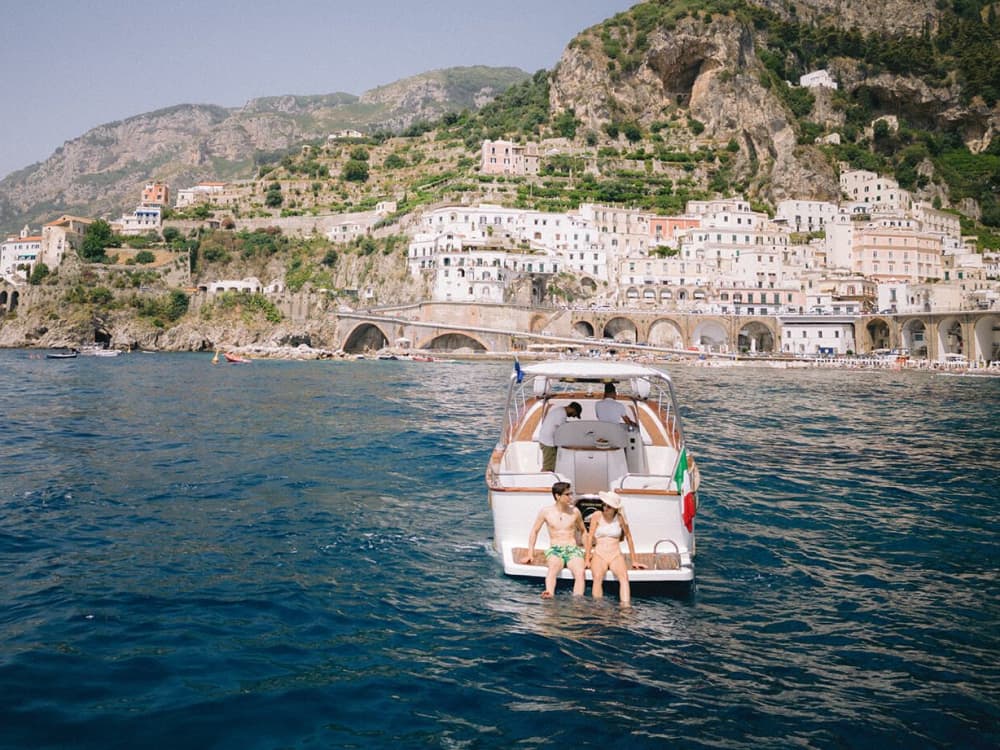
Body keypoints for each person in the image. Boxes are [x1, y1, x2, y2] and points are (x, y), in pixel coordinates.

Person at [519, 481, 587, 598]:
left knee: (580, 572)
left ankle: (577, 601)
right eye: (567, 494)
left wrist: (588, 554)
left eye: (571, 494)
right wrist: (530, 554)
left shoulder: (575, 512)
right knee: (553, 569)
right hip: (555, 549)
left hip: (572, 549)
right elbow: (534, 531)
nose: (571, 497)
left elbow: (584, 531)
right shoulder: (546, 512)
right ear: (557, 496)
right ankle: (549, 593)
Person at [584, 490, 646, 607]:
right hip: (599, 553)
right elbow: (590, 537)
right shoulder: (597, 516)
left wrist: (634, 561)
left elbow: (629, 537)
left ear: (615, 509)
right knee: (597, 577)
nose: (605, 508)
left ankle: (626, 607)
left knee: (624, 578)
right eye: (604, 505)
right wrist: (587, 559)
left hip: (615, 554)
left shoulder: (620, 518)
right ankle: (598, 609)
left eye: (609, 506)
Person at [537, 401, 582, 472]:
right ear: (573, 409)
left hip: (545, 440)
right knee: (548, 467)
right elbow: (562, 431)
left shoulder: (560, 411)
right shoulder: (562, 414)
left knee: (549, 465)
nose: (573, 417)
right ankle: (544, 478)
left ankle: (547, 477)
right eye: (574, 414)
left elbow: (562, 426)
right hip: (548, 442)